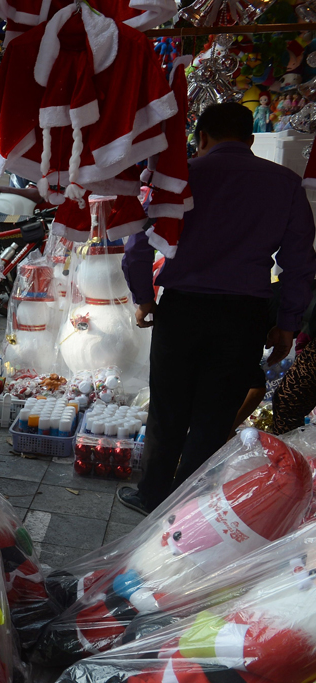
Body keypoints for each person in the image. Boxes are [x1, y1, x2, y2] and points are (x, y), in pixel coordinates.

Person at [119, 102, 316, 514]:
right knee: (215, 412)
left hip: (182, 310)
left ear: (201, 137)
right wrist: (286, 323)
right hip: (243, 317)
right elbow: (300, 263)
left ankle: (152, 494)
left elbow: (137, 244)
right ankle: (189, 504)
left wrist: (143, 299)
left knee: (168, 407)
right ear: (249, 141)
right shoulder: (285, 184)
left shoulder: (178, 179)